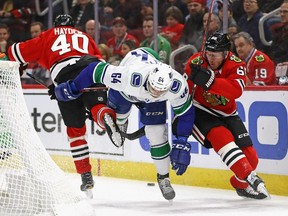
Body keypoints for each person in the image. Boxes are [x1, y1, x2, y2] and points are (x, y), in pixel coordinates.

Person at [52, 47, 196, 201]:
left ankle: (164, 178)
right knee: (121, 128)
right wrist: (73, 87)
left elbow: (185, 114)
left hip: (148, 98)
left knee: (157, 133)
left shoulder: (177, 85)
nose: (155, 93)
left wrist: (182, 141)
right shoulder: (129, 76)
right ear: (150, 79)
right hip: (124, 91)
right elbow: (95, 70)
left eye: (161, 91)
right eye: (154, 88)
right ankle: (119, 122)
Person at [7, 14, 122, 197]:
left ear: (55, 26)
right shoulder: (84, 36)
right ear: (73, 25)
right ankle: (103, 115)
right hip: (91, 68)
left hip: (64, 74)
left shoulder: (49, 35)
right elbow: (99, 59)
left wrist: (17, 60)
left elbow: (16, 52)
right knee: (97, 107)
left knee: (75, 130)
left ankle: (85, 175)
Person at [175, 31, 270, 200]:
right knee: (222, 138)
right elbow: (182, 93)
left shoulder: (235, 64)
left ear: (225, 53)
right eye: (209, 54)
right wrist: (180, 119)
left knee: (251, 158)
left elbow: (237, 90)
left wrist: (211, 82)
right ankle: (251, 177)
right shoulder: (196, 62)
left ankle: (240, 184)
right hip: (200, 111)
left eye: (215, 55)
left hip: (227, 113)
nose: (211, 59)